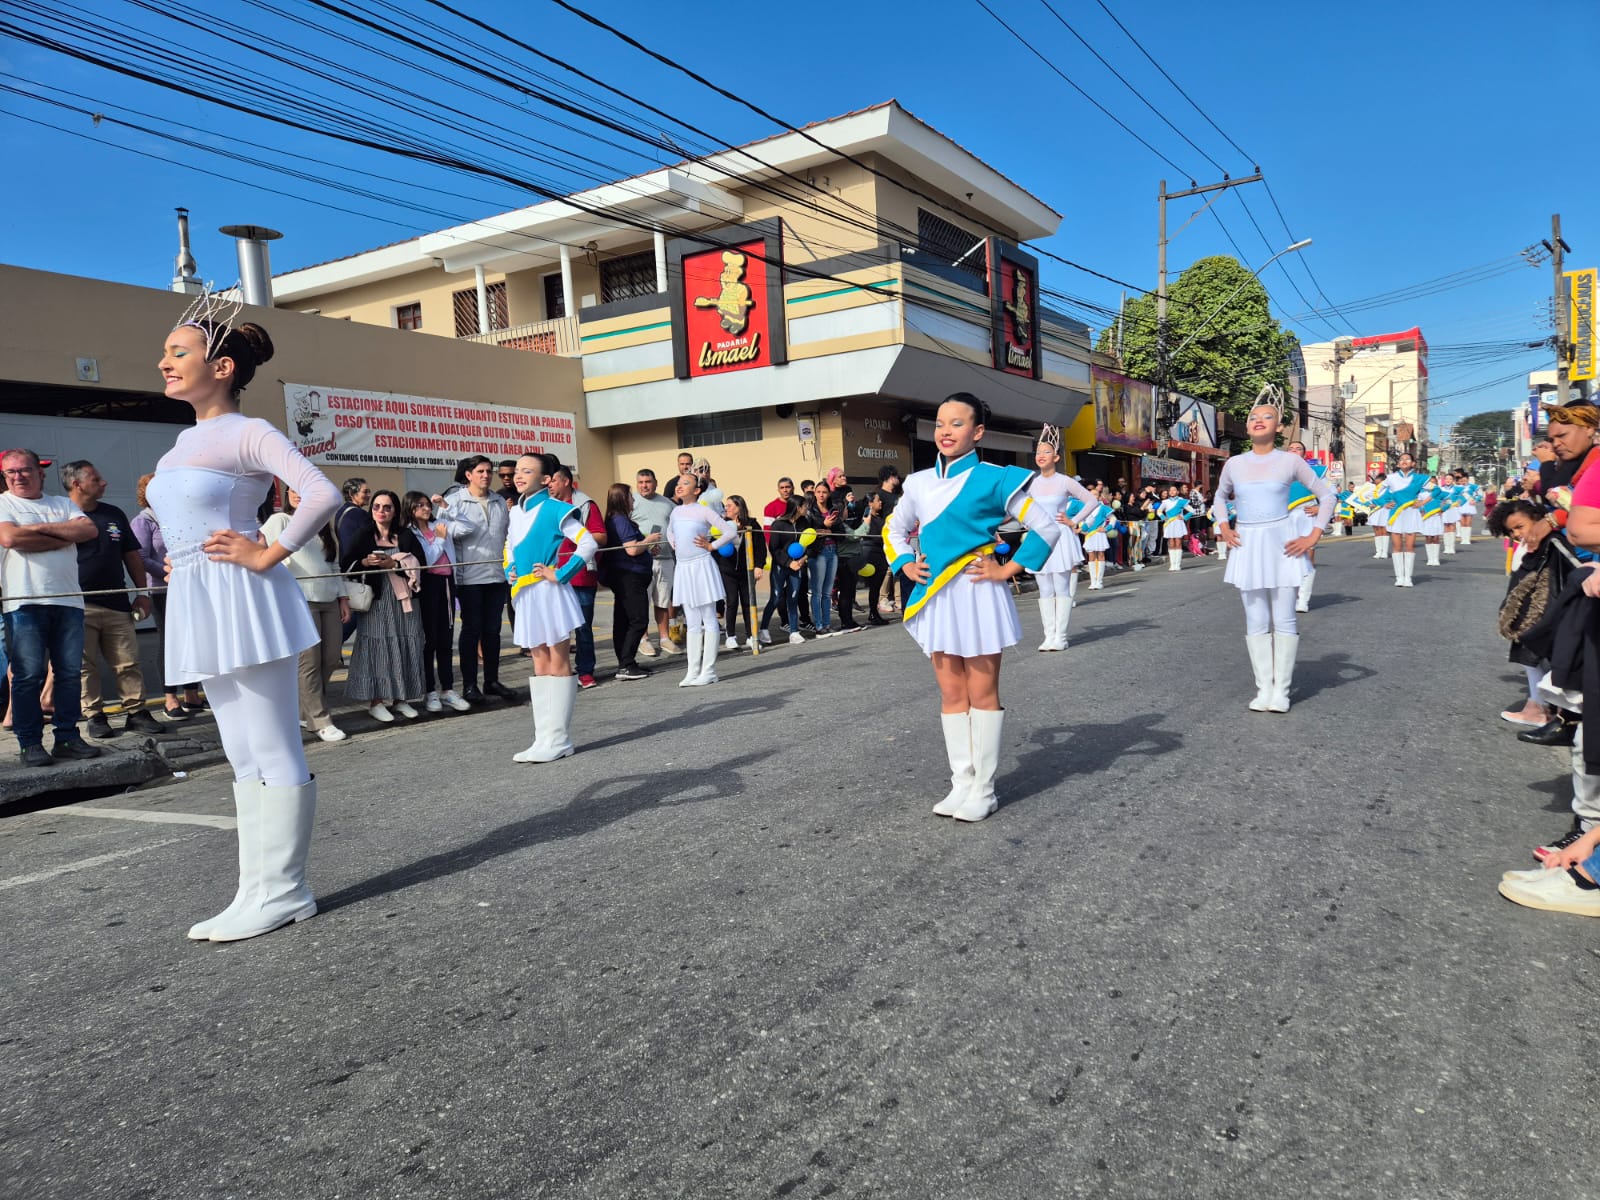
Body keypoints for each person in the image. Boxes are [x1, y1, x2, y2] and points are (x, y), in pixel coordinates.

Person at [150, 300, 339, 941]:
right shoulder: (181, 442)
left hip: (247, 593)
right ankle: (253, 889)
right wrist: (181, 562)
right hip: (201, 595)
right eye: (168, 353)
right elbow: (187, 525)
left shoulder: (249, 430)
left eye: (179, 352)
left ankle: (286, 889)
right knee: (238, 750)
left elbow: (322, 493)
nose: (165, 362)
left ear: (222, 366)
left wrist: (268, 551)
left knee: (271, 741)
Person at [884, 392, 1061, 823]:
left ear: (977, 432)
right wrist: (906, 562)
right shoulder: (919, 482)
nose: (946, 431)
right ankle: (961, 782)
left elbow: (1046, 527)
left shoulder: (996, 478)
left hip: (979, 593)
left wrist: (1007, 570)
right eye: (941, 423)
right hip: (936, 597)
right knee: (950, 692)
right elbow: (896, 527)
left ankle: (984, 789)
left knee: (981, 692)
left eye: (957, 423)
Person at [1211, 395, 1333, 714]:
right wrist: (1224, 526)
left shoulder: (1291, 461)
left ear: (1278, 426)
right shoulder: (1234, 463)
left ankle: (1282, 691)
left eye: (1267, 416)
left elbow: (1327, 495)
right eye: (1253, 417)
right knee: (1256, 618)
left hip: (1282, 541)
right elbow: (1219, 497)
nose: (1258, 420)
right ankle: (1263, 688)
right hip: (1247, 542)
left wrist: (1314, 533)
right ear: (1249, 426)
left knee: (1284, 617)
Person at [0, 448, 103, 767]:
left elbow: (88, 531)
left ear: (40, 472)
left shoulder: (61, 503)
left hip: (68, 601)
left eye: (24, 470)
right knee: (27, 676)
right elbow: (8, 539)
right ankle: (30, 743)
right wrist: (60, 536)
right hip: (23, 602)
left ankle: (67, 737)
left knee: (69, 674)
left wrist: (29, 532)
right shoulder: (3, 503)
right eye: (11, 472)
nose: (18, 476)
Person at [59, 460, 160, 738]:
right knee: (84, 666)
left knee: (127, 661)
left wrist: (141, 593)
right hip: (78, 604)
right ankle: (95, 716)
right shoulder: (61, 514)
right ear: (77, 484)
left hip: (116, 601)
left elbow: (131, 555)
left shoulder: (113, 514)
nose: (104, 482)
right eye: (96, 479)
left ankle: (137, 712)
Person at [506, 453, 596, 762]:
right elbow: (509, 548)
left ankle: (559, 738)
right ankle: (542, 738)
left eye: (527, 471)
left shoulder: (557, 509)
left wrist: (561, 573)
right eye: (517, 470)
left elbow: (588, 544)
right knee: (539, 662)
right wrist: (510, 571)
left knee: (558, 661)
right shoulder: (515, 512)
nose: (519, 475)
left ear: (546, 479)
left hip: (550, 591)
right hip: (526, 592)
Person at [262, 486, 350, 742]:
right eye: (292, 489)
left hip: (329, 597)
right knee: (308, 662)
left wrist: (342, 596)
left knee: (332, 657)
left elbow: (334, 564)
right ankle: (320, 719)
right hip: (300, 600)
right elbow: (264, 552)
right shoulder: (280, 520)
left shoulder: (323, 525)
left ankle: (304, 711)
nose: (297, 493)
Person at [344, 490, 426, 723]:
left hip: (404, 600)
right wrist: (364, 562)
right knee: (378, 649)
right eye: (377, 506)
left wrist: (395, 563)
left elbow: (421, 564)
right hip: (376, 601)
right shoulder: (363, 535)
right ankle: (376, 701)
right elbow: (345, 565)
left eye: (387, 507)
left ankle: (402, 699)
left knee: (405, 644)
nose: (381, 511)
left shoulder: (406, 535)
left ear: (395, 511)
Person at [440, 455, 515, 703]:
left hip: (496, 575)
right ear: (468, 475)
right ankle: (470, 685)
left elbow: (507, 536)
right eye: (480, 471)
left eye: (488, 471)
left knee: (493, 632)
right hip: (468, 578)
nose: (486, 475)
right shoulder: (453, 502)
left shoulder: (499, 501)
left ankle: (492, 680)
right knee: (471, 631)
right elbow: (442, 535)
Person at [132, 472, 205, 720]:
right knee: (169, 641)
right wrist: (169, 572)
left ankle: (192, 694)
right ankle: (170, 697)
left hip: (187, 587)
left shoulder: (178, 518)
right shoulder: (144, 521)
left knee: (191, 640)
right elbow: (141, 558)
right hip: (163, 589)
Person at [1025, 425, 1093, 651]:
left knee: (1061, 586)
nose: (1040, 456)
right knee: (1044, 588)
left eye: (1045, 452)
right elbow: (1021, 508)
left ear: (1056, 457)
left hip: (1060, 536)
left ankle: (1061, 636)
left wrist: (1074, 521)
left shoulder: (1065, 481)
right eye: (1038, 452)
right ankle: (1048, 635)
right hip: (1038, 537)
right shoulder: (1031, 483)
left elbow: (1091, 501)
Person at [401, 491, 469, 713]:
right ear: (410, 508)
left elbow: (468, 527)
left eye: (427, 504)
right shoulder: (409, 533)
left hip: (447, 584)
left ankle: (448, 689)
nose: (426, 508)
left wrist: (446, 506)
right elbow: (426, 562)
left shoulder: (440, 523)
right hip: (428, 586)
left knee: (445, 639)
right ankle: (430, 691)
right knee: (429, 640)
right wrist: (439, 539)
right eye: (420, 505)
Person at [668, 472, 737, 684]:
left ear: (697, 490)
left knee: (708, 617)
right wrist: (675, 544)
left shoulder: (703, 511)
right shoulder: (676, 511)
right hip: (684, 568)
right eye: (678, 483)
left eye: (685, 483)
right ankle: (692, 670)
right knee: (692, 620)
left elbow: (729, 531)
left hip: (701, 566)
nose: (679, 486)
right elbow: (670, 532)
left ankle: (709, 670)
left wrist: (711, 545)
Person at [548, 465, 605, 688]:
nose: (549, 485)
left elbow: (601, 536)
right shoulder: (546, 507)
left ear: (565, 482)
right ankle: (560, 672)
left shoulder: (585, 505)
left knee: (582, 628)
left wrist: (578, 537)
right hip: (551, 576)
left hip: (580, 575)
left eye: (553, 480)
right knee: (556, 629)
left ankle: (585, 672)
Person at [601, 482, 657, 681]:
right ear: (623, 499)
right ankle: (625, 663)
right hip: (629, 576)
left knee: (624, 620)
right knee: (638, 619)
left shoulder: (618, 519)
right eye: (631, 496)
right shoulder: (620, 520)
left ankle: (627, 662)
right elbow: (632, 549)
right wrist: (649, 540)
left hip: (627, 575)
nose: (633, 500)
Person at [632, 468, 678, 657]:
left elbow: (675, 527)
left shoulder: (668, 504)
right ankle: (643, 640)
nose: (644, 485)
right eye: (641, 482)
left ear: (656, 483)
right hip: (642, 560)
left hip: (666, 559)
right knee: (642, 601)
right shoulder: (631, 502)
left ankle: (664, 638)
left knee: (663, 600)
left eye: (648, 482)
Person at [1284, 442, 1328, 613]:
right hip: (1284, 518)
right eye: (1291, 448)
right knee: (1287, 558)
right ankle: (1289, 597)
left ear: (1304, 454)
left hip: (1306, 516)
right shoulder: (1277, 472)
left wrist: (1320, 507)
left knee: (1308, 556)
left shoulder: (1316, 472)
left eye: (1298, 449)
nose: (1294, 450)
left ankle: (1303, 599)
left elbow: (1332, 494)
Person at [718, 494, 765, 649]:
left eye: (730, 505)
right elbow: (714, 546)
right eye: (726, 505)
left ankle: (751, 635)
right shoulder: (721, 524)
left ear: (738, 508)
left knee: (748, 602)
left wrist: (759, 565)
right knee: (731, 601)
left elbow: (760, 547)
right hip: (728, 570)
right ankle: (730, 635)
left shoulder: (752, 524)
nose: (726, 508)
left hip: (747, 570)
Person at [800, 479, 844, 637]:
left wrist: (830, 529)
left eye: (824, 492)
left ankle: (826, 624)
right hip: (818, 553)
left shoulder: (833, 510)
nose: (821, 495)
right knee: (817, 592)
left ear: (828, 494)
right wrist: (824, 526)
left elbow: (841, 533)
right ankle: (818, 625)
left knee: (827, 592)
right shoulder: (810, 511)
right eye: (818, 492)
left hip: (833, 551)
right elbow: (807, 532)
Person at [762, 498, 808, 645]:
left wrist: (802, 560)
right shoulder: (779, 524)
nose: (807, 508)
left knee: (793, 598)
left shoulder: (804, 523)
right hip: (781, 566)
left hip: (797, 566)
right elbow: (774, 549)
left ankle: (794, 632)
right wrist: (788, 563)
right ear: (798, 507)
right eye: (805, 506)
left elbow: (811, 542)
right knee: (775, 598)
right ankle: (763, 629)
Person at [1380, 452, 1430, 587]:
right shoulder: (1391, 478)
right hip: (1396, 513)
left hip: (1411, 513)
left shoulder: (1420, 478)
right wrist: (1384, 503)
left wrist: (1421, 503)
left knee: (1409, 545)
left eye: (1407, 459)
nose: (1404, 461)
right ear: (1398, 464)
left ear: (1413, 463)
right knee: (1396, 546)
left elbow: (1435, 491)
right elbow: (1377, 491)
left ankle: (1408, 577)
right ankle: (1399, 577)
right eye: (1401, 459)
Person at [1157, 485, 1188, 571]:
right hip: (1169, 523)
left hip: (1178, 523)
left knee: (1178, 542)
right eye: (1170, 490)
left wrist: (1184, 517)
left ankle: (1178, 564)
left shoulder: (1181, 501)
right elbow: (1159, 511)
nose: (1172, 492)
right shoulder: (1165, 502)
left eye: (1174, 490)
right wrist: (1164, 518)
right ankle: (1172, 564)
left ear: (1177, 491)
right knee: (1171, 543)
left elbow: (1191, 510)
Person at [1367, 471, 1391, 558]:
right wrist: (1369, 504)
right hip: (1375, 511)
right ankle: (1378, 551)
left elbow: (1391, 499)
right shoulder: (1373, 489)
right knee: (1376, 530)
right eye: (1376, 482)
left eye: (1379, 481)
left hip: (1384, 510)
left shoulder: (1389, 489)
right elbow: (1364, 498)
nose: (1377, 483)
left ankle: (1384, 552)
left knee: (1384, 530)